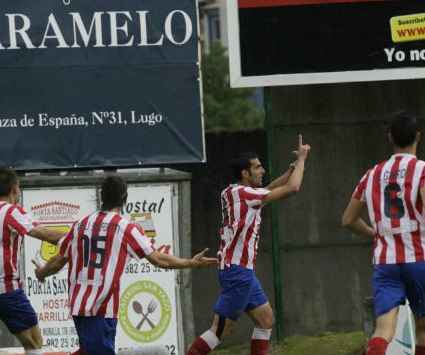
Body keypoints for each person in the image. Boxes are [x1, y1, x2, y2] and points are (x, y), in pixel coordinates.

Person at [33, 175, 218, 355]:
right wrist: (191, 263)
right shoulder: (126, 229)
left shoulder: (80, 224)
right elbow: (158, 259)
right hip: (101, 308)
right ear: (125, 197)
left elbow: (58, 260)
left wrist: (41, 274)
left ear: (101, 196)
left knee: (88, 350)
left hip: (78, 306)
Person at [186, 135, 310, 355]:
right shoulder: (245, 194)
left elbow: (269, 190)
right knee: (219, 331)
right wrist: (301, 160)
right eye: (258, 167)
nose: (262, 170)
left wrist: (289, 172)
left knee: (266, 320)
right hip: (237, 272)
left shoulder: (233, 192)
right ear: (245, 173)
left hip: (242, 272)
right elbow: (293, 189)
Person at [342, 111, 425, 355]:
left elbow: (348, 219)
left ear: (390, 138)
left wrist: (376, 233)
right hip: (419, 259)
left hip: (386, 262)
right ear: (418, 137)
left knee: (383, 331)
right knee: (423, 329)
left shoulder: (372, 174)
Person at [0, 167, 65, 354]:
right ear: (15, 188)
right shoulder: (11, 211)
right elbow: (47, 235)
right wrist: (79, 237)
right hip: (6, 288)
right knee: (34, 342)